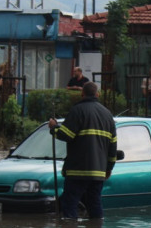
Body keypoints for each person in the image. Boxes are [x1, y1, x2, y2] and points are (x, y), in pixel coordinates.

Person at [48, 82, 117, 219]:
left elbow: (66, 135)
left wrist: (54, 128)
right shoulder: (108, 115)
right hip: (98, 172)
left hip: (77, 170)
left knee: (70, 204)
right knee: (95, 203)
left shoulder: (77, 110)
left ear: (82, 94)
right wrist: (109, 168)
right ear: (97, 94)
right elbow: (113, 146)